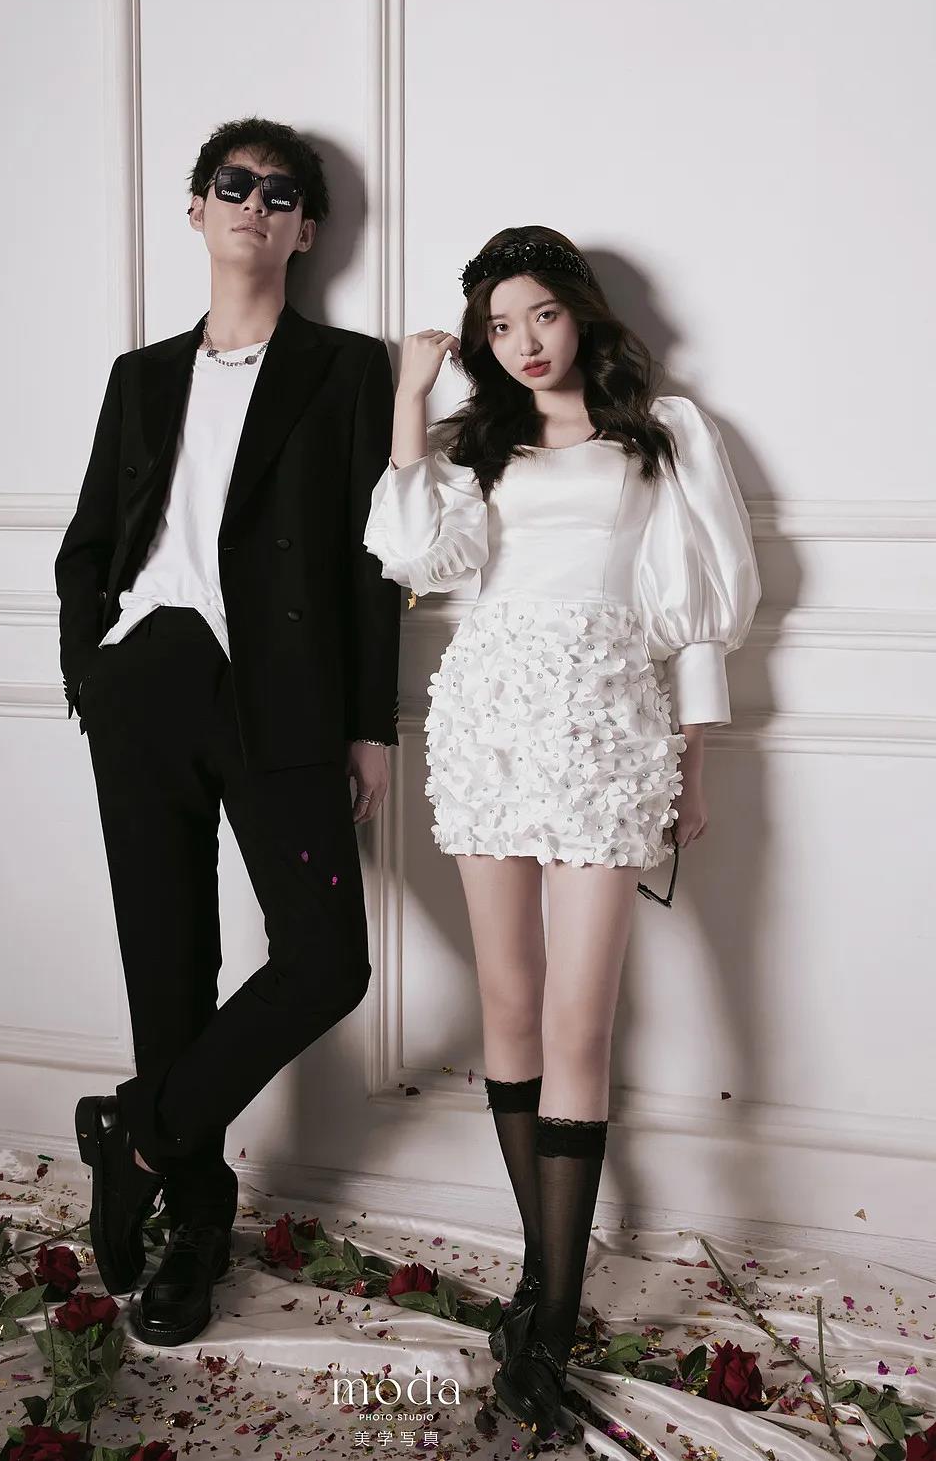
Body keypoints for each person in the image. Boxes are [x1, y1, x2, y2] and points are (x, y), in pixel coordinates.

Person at [362, 226, 761, 1439]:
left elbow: (699, 606)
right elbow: (413, 556)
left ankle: (551, 1316)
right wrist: (407, 403)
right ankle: (543, 1269)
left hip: (608, 726)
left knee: (581, 1018)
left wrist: (694, 757)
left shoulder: (664, 431)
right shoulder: (474, 444)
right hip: (487, 720)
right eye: (499, 325)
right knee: (511, 1002)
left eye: (541, 314)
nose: (524, 343)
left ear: (580, 311)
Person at [55, 116, 401, 1346]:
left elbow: (371, 561)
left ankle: (138, 1133)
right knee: (168, 963)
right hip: (145, 678)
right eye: (233, 184)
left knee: (327, 959)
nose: (255, 203)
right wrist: (89, 670)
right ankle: (195, 1224)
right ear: (197, 209)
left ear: (305, 230)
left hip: (282, 691)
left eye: (281, 192)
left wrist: (370, 726)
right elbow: (90, 539)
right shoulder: (139, 376)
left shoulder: (348, 371)